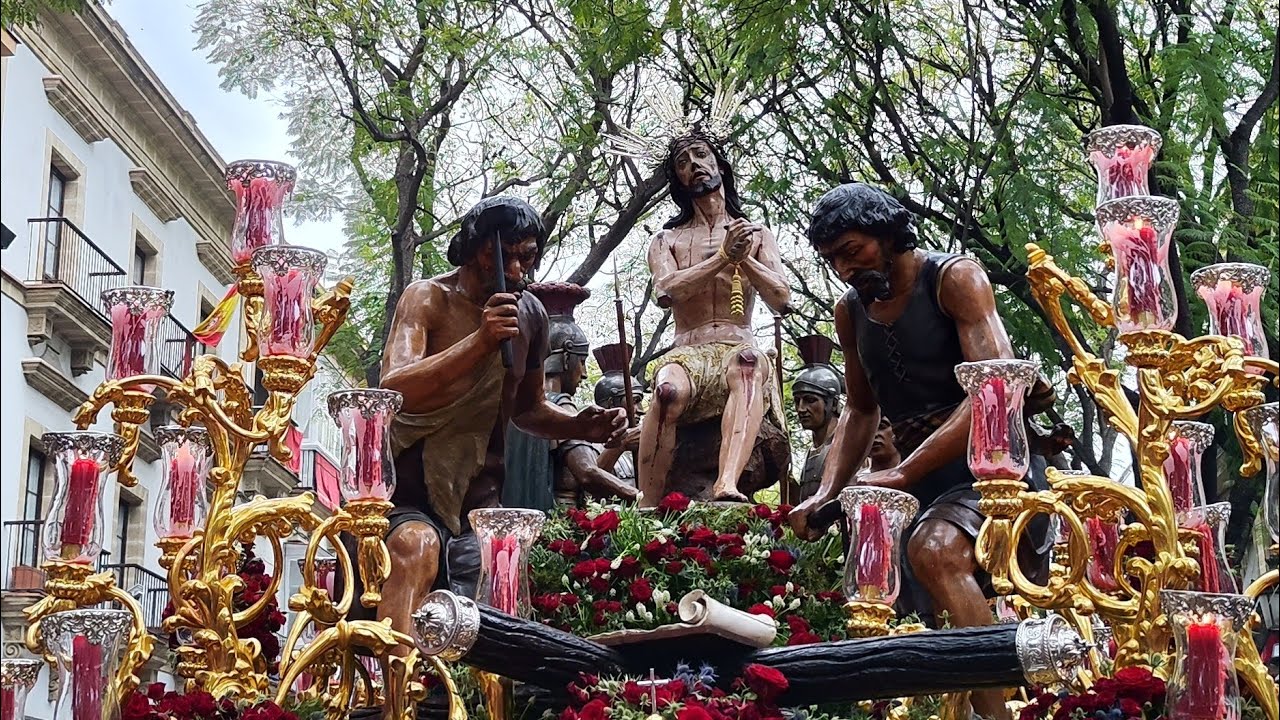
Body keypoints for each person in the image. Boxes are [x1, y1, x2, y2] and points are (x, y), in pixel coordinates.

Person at [788, 183, 1052, 720]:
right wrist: (825, 492)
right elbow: (860, 410)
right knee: (885, 594)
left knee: (935, 550)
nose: (844, 268)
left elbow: (994, 389)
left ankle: (999, 715)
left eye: (853, 250)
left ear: (889, 234)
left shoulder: (955, 279)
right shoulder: (850, 311)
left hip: (991, 470)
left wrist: (903, 471)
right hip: (916, 485)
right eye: (833, 259)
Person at [371, 196, 626, 643]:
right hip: (408, 490)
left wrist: (579, 427)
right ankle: (395, 678)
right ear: (474, 249)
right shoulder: (427, 298)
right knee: (416, 547)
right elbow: (395, 387)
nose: (517, 269)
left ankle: (488, 682)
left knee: (501, 575)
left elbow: (527, 410)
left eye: (527, 256)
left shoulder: (531, 315)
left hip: (481, 498)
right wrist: (480, 341)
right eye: (503, 254)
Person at [634, 125, 792, 504]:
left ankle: (727, 484)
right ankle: (646, 503)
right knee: (667, 392)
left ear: (719, 164)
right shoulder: (666, 240)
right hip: (688, 352)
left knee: (748, 364)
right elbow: (667, 290)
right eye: (683, 162)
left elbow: (782, 299)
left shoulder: (756, 234)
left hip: (737, 346)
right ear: (678, 179)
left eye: (701, 155)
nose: (694, 165)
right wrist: (722, 257)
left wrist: (744, 258)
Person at [504, 282, 637, 508]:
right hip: (557, 522)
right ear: (566, 358)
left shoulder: (512, 404)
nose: (584, 373)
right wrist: (643, 499)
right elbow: (588, 473)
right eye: (582, 362)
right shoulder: (560, 405)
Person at [792, 334, 845, 502]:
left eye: (810, 400)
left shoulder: (847, 447)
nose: (801, 409)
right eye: (797, 401)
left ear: (833, 403)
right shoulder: (812, 451)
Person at [593, 342, 646, 487]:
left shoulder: (642, 445)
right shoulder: (589, 445)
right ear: (611, 404)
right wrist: (621, 444)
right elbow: (590, 483)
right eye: (635, 401)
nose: (641, 410)